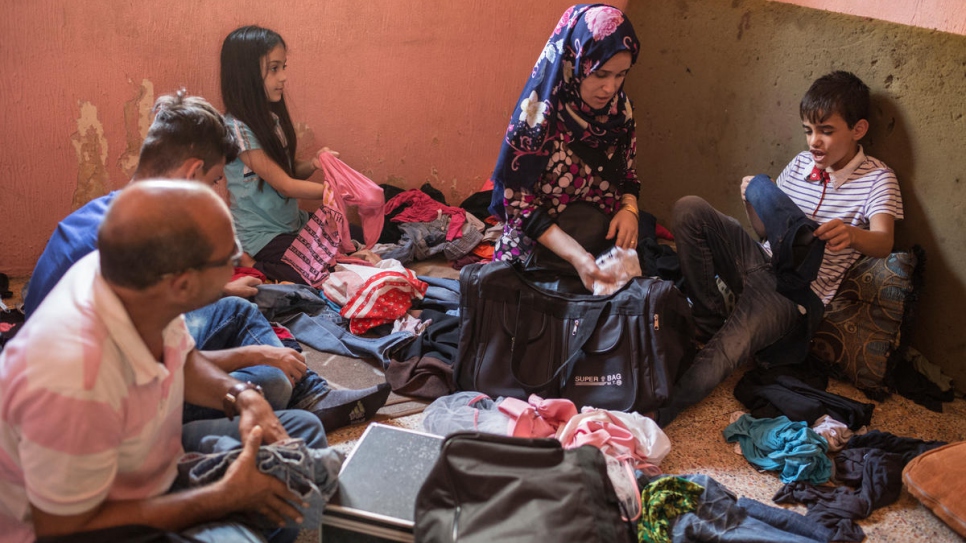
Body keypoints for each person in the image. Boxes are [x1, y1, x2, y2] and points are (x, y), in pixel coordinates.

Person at [21, 90, 389, 430]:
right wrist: (252, 358)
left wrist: (224, 294)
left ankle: (311, 393)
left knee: (237, 308)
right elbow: (161, 369)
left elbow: (167, 345)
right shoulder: (127, 253)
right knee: (271, 384)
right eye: (215, 181)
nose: (216, 193)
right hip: (95, 407)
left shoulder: (119, 212)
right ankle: (271, 408)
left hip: (120, 361)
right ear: (191, 173)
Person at [0, 181, 328, 543]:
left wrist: (241, 395)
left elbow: (182, 360)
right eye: (231, 258)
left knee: (303, 432)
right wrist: (219, 500)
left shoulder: (135, 279)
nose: (239, 262)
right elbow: (64, 531)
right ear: (183, 284)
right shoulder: (74, 377)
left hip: (152, 463)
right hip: (94, 521)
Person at [654, 71, 903, 427]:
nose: (814, 142)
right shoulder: (802, 163)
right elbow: (764, 232)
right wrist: (753, 201)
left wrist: (850, 234)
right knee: (690, 208)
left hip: (794, 294)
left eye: (827, 131)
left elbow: (884, 241)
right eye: (808, 130)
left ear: (858, 129)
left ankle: (658, 412)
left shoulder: (878, 178)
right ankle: (708, 317)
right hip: (759, 261)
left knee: (726, 351)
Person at [489, 4, 642, 292]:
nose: (610, 88)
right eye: (600, 74)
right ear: (574, 61)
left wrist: (629, 210)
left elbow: (629, 176)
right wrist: (576, 257)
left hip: (599, 255)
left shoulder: (621, 113)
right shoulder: (539, 116)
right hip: (535, 257)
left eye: (620, 75)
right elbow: (519, 204)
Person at [219, 25, 339, 284]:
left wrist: (313, 163)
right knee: (322, 273)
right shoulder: (236, 129)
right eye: (274, 69)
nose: (283, 76)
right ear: (245, 74)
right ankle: (253, 264)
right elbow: (285, 186)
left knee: (347, 240)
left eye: (284, 66)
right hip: (261, 236)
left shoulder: (271, 119)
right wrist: (331, 191)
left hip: (291, 224)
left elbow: (288, 171)